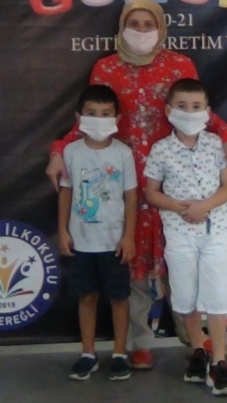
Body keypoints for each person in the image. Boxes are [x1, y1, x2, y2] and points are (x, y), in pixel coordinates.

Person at [46, 0, 227, 369]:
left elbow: (198, 108)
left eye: (148, 24)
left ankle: (192, 336)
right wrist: (59, 151)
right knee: (132, 260)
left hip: (171, 176)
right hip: (121, 178)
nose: (141, 31)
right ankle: (140, 341)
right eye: (133, 24)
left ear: (160, 27)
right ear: (122, 27)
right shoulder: (106, 68)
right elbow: (89, 121)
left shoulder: (179, 64)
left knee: (178, 257)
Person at [144, 79, 227, 396]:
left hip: (215, 230)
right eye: (182, 106)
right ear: (169, 110)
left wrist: (203, 207)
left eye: (196, 106)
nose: (189, 112)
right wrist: (181, 208)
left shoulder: (216, 144)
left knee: (218, 292)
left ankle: (219, 360)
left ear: (207, 112)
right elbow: (151, 192)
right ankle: (198, 350)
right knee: (184, 293)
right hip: (180, 232)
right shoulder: (160, 149)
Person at [57, 85, 138, 381]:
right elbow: (66, 193)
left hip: (114, 242)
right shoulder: (71, 152)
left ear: (117, 118)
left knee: (119, 298)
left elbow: (131, 196)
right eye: (92, 113)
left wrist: (128, 236)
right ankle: (88, 354)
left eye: (106, 114)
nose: (99, 119)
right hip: (81, 242)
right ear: (79, 117)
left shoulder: (123, 154)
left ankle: (119, 353)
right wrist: (62, 231)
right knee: (86, 298)